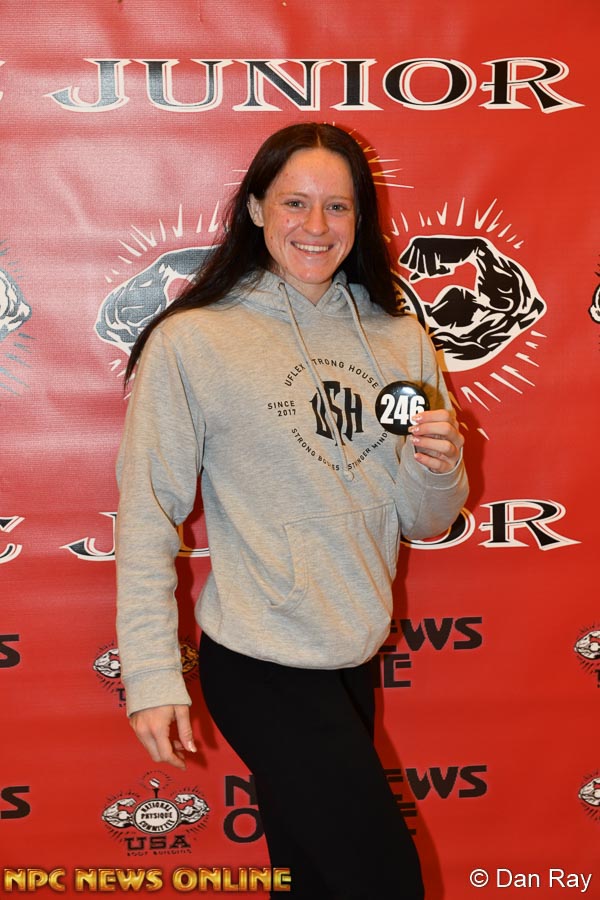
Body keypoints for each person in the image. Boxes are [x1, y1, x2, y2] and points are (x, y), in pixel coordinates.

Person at [116, 122, 468, 899]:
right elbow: (147, 512)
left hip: (352, 651)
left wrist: (440, 466)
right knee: (385, 881)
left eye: (337, 206)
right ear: (255, 209)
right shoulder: (195, 341)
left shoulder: (398, 339)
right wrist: (150, 673)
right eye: (294, 202)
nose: (316, 225)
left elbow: (424, 520)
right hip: (260, 658)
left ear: (360, 219)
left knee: (312, 880)